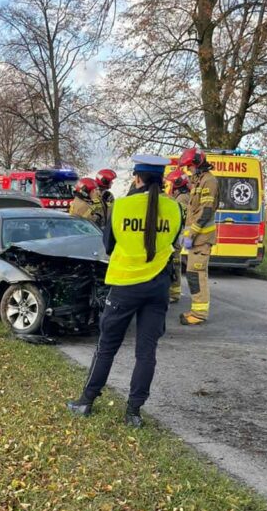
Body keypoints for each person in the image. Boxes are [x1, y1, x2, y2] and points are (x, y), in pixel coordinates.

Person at [66, 155, 184, 428]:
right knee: (146, 352)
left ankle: (86, 401)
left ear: (138, 177)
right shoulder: (174, 209)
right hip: (158, 287)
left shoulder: (122, 207)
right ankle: (133, 412)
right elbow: (174, 243)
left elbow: (108, 245)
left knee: (107, 347)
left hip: (124, 286)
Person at [176, 148, 219, 326]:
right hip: (196, 239)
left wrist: (191, 233)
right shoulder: (200, 181)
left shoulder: (209, 181)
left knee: (196, 274)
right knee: (195, 273)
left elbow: (205, 211)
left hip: (201, 239)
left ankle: (199, 313)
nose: (189, 170)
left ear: (197, 164)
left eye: (190, 167)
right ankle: (197, 310)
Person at [166, 169, 191, 304]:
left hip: (178, 235)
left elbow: (179, 217)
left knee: (175, 260)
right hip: (179, 234)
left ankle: (174, 293)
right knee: (175, 260)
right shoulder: (183, 196)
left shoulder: (182, 198)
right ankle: (173, 291)